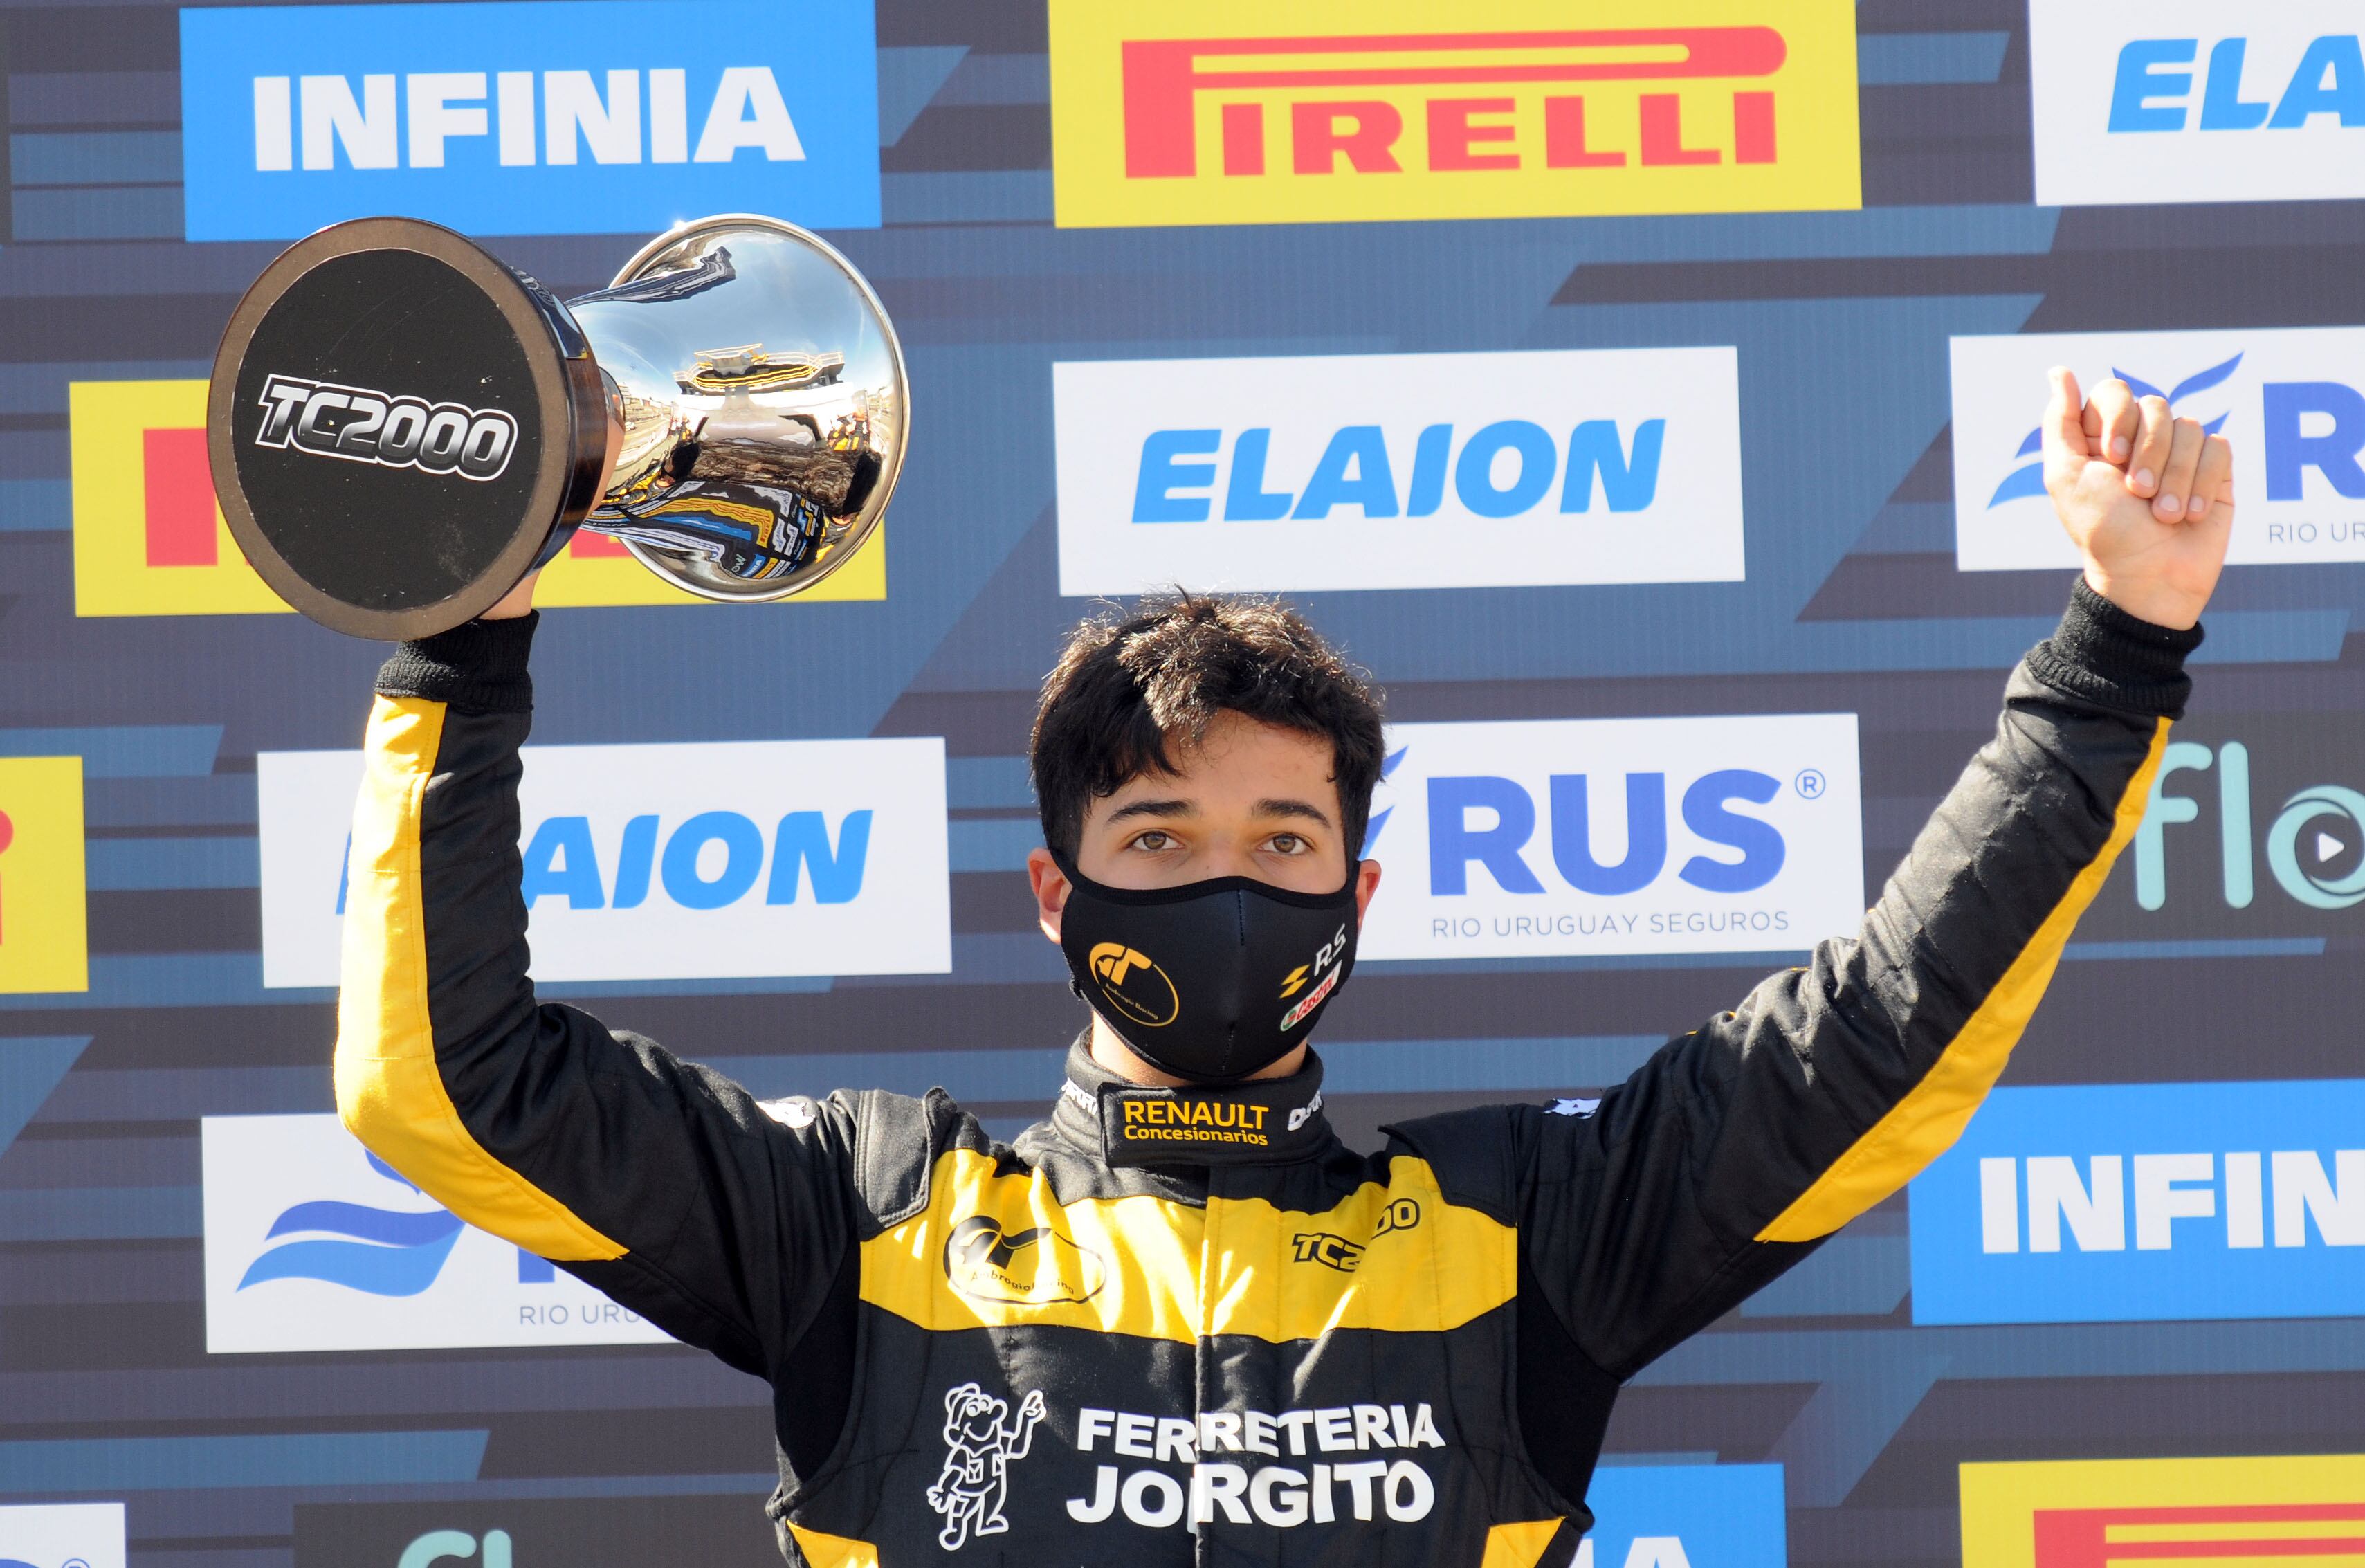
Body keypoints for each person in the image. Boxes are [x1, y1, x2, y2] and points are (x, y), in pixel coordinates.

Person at [333, 371, 2232, 1567]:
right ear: (1052, 893)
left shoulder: (1522, 1226)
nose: (1225, 885)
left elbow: (1885, 1028)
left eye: (1280, 845)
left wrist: (2115, 649)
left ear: (1356, 891)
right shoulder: (865, 1214)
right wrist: (457, 646)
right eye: (1156, 841)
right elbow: (445, 1077)